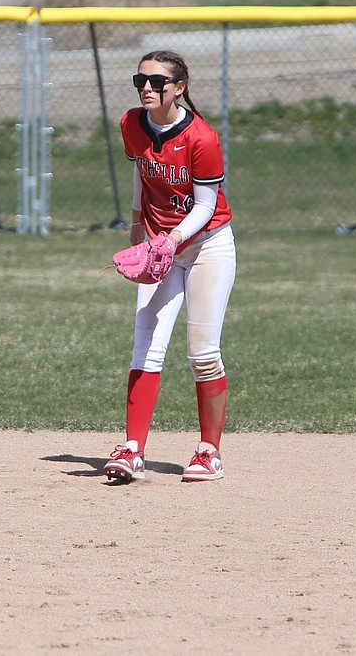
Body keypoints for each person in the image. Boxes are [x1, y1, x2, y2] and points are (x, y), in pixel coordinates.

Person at [103, 50, 237, 484]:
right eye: (140, 80)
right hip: (160, 245)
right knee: (146, 344)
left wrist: (173, 239)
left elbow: (206, 205)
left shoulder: (202, 138)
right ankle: (132, 449)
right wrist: (138, 225)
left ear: (178, 88)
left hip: (206, 246)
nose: (147, 88)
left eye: (157, 82)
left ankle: (208, 452)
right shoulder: (131, 125)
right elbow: (143, 175)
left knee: (202, 352)